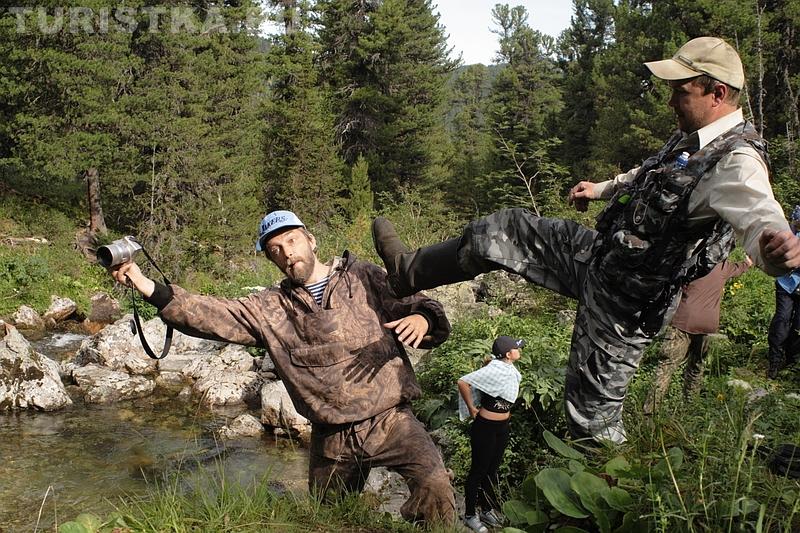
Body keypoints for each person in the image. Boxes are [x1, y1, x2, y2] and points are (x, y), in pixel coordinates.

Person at [371, 36, 800, 444]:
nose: (671, 101)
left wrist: (777, 251)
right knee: (507, 230)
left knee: (592, 422)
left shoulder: (737, 162)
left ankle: (607, 487)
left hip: (626, 307)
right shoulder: (694, 139)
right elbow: (649, 174)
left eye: (680, 92)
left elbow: (760, 217)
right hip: (600, 258)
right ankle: (409, 272)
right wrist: (601, 189)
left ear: (717, 93)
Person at [110, 210, 456, 524]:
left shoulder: (363, 276)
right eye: (275, 249)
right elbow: (210, 313)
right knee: (327, 518)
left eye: (291, 241)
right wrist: (144, 283)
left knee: (436, 483)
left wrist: (423, 319)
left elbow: (420, 304)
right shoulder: (270, 308)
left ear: (311, 240)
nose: (287, 252)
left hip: (391, 420)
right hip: (332, 436)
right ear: (270, 258)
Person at [643, 257, 751, 414]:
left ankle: (650, 412)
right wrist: (748, 262)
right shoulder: (723, 267)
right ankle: (690, 409)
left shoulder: (689, 264)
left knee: (666, 367)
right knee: (697, 367)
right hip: (707, 325)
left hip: (683, 321)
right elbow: (741, 267)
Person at [457, 336, 523, 533]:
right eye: (517, 348)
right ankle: (470, 515)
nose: (520, 350)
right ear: (508, 354)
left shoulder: (509, 369)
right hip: (485, 428)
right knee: (478, 470)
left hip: (502, 427)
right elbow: (463, 382)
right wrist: (471, 408)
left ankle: (486, 510)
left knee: (492, 470)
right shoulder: (493, 369)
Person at [767, 206, 800, 379]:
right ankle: (775, 361)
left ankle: (792, 361)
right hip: (786, 283)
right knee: (782, 320)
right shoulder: (789, 231)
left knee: (798, 325)